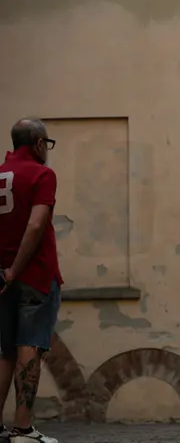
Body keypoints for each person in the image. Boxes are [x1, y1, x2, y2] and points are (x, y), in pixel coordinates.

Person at [0, 118, 62, 443]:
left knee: (5, 351)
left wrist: (4, 271)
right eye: (46, 144)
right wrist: (16, 268)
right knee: (30, 348)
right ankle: (22, 430)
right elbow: (36, 225)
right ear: (38, 144)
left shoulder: (0, 174)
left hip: (2, 279)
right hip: (35, 275)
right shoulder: (42, 174)